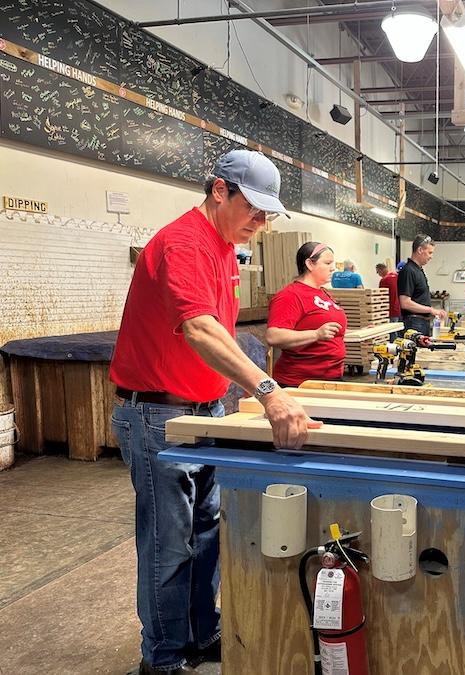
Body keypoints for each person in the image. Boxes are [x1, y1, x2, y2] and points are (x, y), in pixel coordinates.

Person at [110, 149, 318, 675]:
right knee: (168, 548)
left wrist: (235, 396)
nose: (262, 223)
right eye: (254, 209)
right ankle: (161, 660)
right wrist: (271, 392)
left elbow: (218, 335)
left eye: (269, 214)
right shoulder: (185, 242)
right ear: (219, 190)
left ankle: (202, 635)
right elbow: (200, 329)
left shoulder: (225, 245)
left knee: (207, 535)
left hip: (205, 412)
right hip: (160, 418)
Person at [266, 242, 347, 386]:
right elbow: (274, 336)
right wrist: (316, 335)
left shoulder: (323, 293)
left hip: (330, 379)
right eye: (327, 263)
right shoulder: (291, 295)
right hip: (300, 383)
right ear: (310, 264)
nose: (333, 268)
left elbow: (325, 328)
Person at [398, 234, 446, 335]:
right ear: (420, 250)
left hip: (421, 322)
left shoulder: (418, 270)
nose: (431, 257)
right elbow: (405, 303)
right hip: (414, 323)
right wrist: (431, 310)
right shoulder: (408, 271)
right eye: (429, 253)